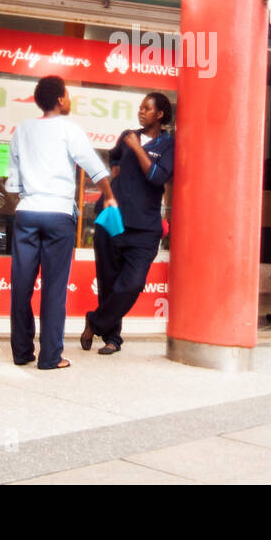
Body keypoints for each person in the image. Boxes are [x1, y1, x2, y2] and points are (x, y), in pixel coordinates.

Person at [6, 75, 116, 370]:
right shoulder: (70, 130)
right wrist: (109, 196)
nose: (69, 99)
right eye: (67, 94)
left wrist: (29, 197)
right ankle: (50, 357)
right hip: (58, 216)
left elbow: (13, 182)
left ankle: (21, 352)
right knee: (54, 289)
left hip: (27, 213)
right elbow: (94, 167)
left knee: (21, 287)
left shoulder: (22, 130)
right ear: (59, 99)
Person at [81, 92, 175, 355]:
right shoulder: (127, 135)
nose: (141, 112)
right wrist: (115, 177)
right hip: (112, 219)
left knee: (132, 283)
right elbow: (114, 157)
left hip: (145, 227)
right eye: (140, 107)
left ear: (160, 114)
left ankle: (95, 321)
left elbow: (158, 178)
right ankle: (113, 339)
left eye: (147, 108)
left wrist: (137, 148)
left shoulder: (168, 145)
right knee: (109, 281)